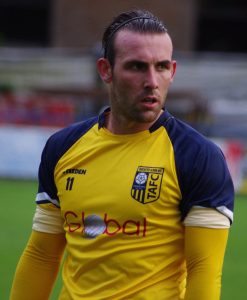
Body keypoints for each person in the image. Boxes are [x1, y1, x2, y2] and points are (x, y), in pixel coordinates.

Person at [10, 9, 234, 300]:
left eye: (162, 66)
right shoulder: (63, 147)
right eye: (137, 67)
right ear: (106, 70)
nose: (152, 80)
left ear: (173, 71)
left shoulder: (198, 157)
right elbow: (41, 256)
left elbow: (204, 270)